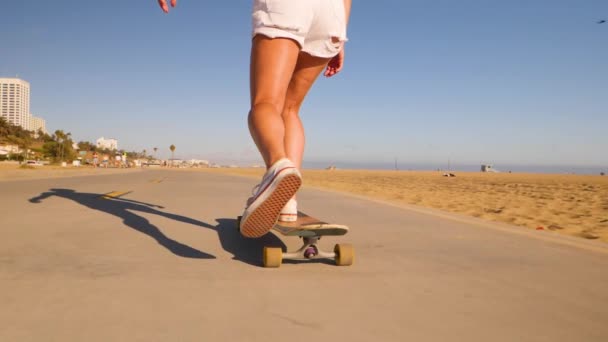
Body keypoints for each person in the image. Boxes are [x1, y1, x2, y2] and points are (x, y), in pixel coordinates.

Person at [158, 0, 351, 238]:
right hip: (331, 14)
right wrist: (340, 34)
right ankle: (288, 203)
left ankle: (278, 167)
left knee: (265, 103)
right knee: (290, 109)